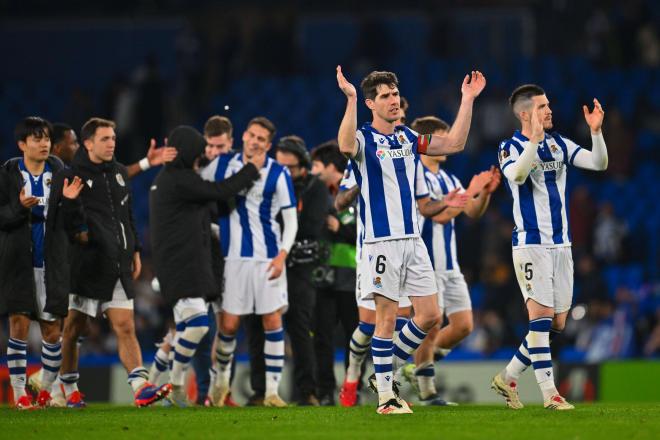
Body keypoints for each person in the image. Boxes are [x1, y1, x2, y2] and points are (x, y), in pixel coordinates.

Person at [336, 66, 485, 414]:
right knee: (386, 318)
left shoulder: (406, 138)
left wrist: (467, 100)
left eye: (394, 94)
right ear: (372, 103)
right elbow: (344, 146)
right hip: (381, 243)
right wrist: (352, 99)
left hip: (414, 241)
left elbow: (456, 143)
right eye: (385, 96)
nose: (392, 101)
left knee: (431, 314)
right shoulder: (363, 139)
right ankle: (387, 398)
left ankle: (383, 374)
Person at [490, 84, 608, 410]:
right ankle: (550, 394)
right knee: (539, 319)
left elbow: (598, 163)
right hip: (531, 244)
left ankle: (508, 376)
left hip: (561, 245)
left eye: (549, 104)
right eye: (543, 106)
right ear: (525, 114)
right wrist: (533, 141)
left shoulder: (558, 143)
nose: (550, 110)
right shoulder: (509, 147)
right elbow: (517, 175)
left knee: (557, 323)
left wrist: (595, 133)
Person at [54, 117, 171, 408]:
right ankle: (67, 389)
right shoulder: (73, 174)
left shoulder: (118, 173)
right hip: (85, 265)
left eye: (114, 139)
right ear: (88, 143)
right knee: (72, 330)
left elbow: (127, 213)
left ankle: (140, 385)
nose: (112, 143)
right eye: (105, 139)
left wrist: (135, 250)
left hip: (117, 264)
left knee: (126, 326)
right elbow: (67, 224)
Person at [149, 125, 262, 406]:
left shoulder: (173, 179)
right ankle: (173, 386)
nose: (204, 156)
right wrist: (251, 170)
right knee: (198, 326)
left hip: (187, 261)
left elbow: (194, 212)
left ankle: (153, 383)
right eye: (199, 151)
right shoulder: (180, 179)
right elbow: (220, 191)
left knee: (185, 327)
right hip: (182, 263)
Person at [402, 116, 500, 404]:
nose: (446, 144)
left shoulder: (448, 178)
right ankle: (427, 390)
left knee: (464, 326)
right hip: (427, 263)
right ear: (428, 143)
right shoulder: (415, 174)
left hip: (450, 265)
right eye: (442, 138)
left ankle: (416, 366)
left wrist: (482, 195)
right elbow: (441, 216)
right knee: (430, 327)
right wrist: (470, 191)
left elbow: (472, 212)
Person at [202, 117, 298, 407]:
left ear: (268, 145)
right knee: (228, 325)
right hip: (232, 260)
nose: (255, 141)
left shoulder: (278, 173)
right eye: (252, 135)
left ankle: (271, 392)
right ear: (243, 135)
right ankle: (219, 385)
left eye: (261, 139)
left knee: (272, 320)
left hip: (268, 259)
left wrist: (282, 254)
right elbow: (194, 191)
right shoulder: (221, 166)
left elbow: (291, 219)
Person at [0, 117, 78, 409]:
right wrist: (19, 208)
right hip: (18, 262)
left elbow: (71, 220)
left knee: (52, 332)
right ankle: (19, 393)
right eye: (37, 138)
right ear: (22, 144)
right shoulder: (7, 173)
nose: (44, 143)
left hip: (52, 262)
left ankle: (44, 389)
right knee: (18, 326)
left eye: (46, 138)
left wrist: (70, 202)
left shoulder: (59, 171)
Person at [247, 135, 330, 406]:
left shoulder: (316, 189)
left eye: (289, 168)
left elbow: (311, 227)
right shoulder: (265, 183)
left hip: (299, 269)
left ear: (304, 166)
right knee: (257, 324)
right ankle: (261, 392)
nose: (283, 172)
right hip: (267, 263)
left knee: (299, 327)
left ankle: (306, 391)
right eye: (279, 166)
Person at [310, 141, 359, 405]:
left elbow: (364, 233)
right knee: (323, 339)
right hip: (323, 276)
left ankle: (353, 389)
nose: (313, 170)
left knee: (356, 340)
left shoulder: (355, 192)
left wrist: (338, 228)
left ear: (331, 166)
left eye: (317, 165)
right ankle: (325, 392)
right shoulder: (314, 194)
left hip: (352, 277)